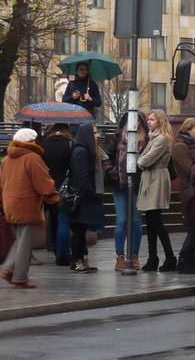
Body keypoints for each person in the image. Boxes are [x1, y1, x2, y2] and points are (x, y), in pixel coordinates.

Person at [0, 128, 59, 288]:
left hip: (9, 205)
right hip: (27, 205)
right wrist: (54, 199)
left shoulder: (6, 160)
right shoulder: (33, 158)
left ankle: (12, 271)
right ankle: (17, 276)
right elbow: (43, 182)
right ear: (30, 142)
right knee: (25, 243)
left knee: (19, 240)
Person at [106, 112, 148, 272]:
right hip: (120, 184)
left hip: (138, 185)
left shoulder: (146, 140)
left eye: (137, 121)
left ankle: (135, 255)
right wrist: (112, 171)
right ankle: (120, 256)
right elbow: (107, 158)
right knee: (121, 220)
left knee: (136, 221)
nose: (133, 124)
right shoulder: (118, 137)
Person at [137, 109, 176, 272]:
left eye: (152, 119)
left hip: (156, 179)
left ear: (160, 121)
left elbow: (145, 160)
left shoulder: (162, 139)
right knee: (151, 221)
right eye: (148, 119)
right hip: (151, 179)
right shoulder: (153, 138)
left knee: (155, 221)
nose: (149, 121)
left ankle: (169, 257)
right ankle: (153, 257)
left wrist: (140, 161)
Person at [172, 118, 195, 274]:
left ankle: (189, 260)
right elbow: (189, 169)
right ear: (187, 129)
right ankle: (183, 260)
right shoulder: (180, 146)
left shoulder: (193, 145)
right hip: (189, 190)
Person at [68, 122, 106, 272]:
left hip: (84, 197)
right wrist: (89, 191)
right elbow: (81, 176)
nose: (98, 136)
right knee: (78, 230)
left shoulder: (85, 150)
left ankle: (81, 260)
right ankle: (76, 261)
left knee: (81, 230)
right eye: (95, 133)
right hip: (82, 198)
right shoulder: (81, 152)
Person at [41, 122, 74, 266]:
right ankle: (63, 253)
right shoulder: (71, 145)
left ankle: (52, 246)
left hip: (47, 187)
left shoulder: (44, 146)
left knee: (53, 221)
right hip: (65, 188)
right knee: (63, 221)